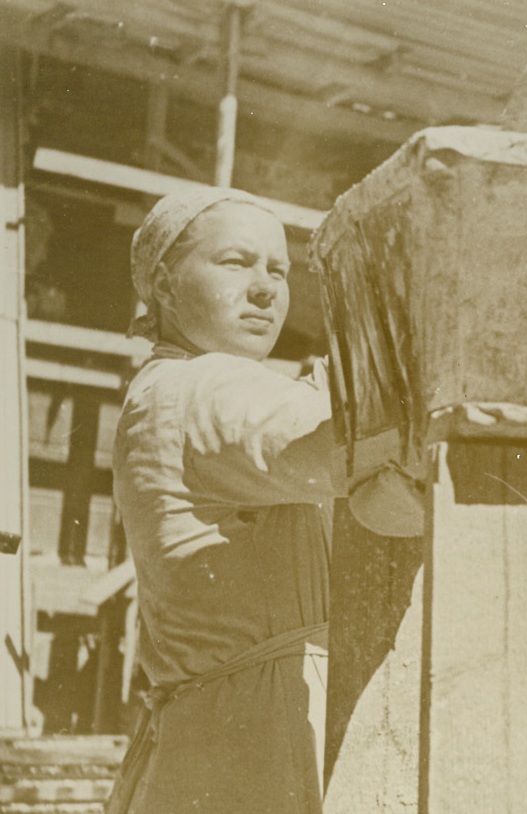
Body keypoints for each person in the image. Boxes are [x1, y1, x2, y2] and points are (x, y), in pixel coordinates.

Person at [107, 187, 413, 813]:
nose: (265, 289)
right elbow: (345, 446)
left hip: (224, 724)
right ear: (165, 285)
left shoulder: (171, 387)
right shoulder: (202, 385)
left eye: (278, 269)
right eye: (235, 262)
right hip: (256, 733)